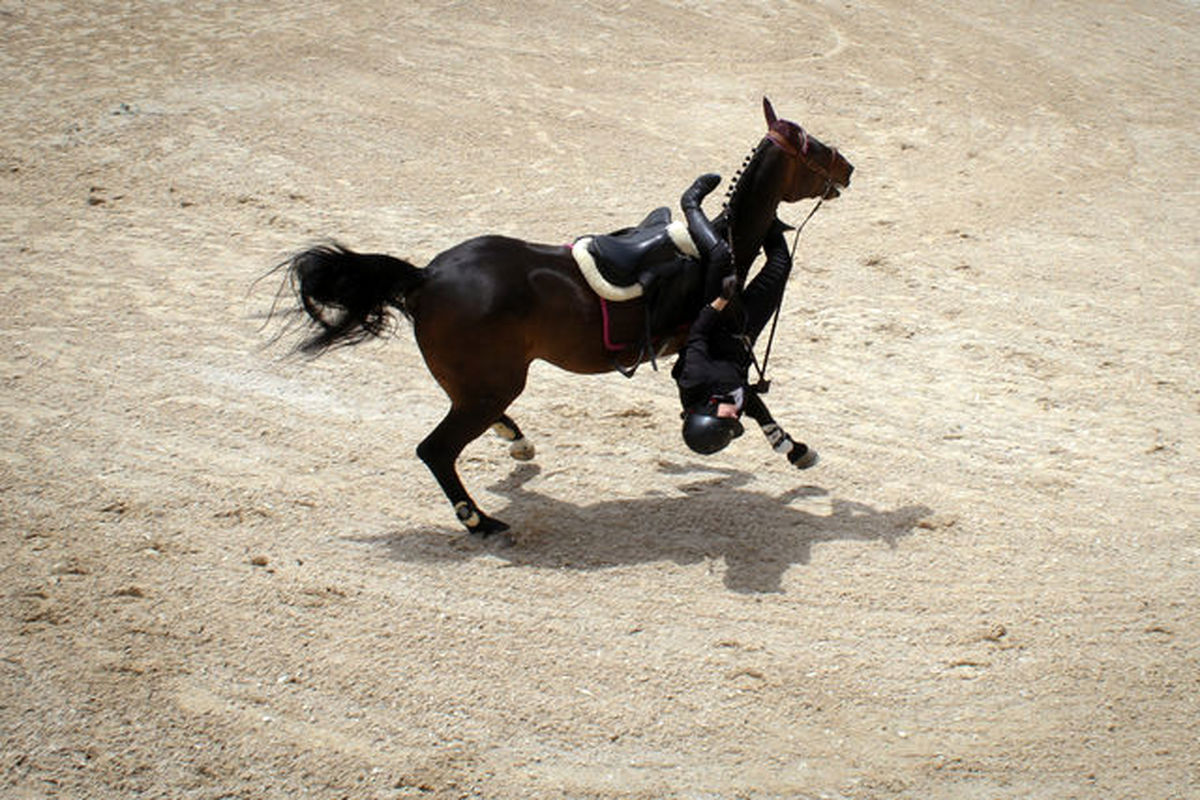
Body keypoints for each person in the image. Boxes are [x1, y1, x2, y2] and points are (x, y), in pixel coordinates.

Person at [672, 178, 818, 468]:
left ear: (708, 408)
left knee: (720, 255)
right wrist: (778, 436)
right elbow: (745, 397)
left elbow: (698, 334)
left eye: (728, 418)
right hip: (745, 332)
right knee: (780, 265)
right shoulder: (729, 406)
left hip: (717, 315)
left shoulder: (694, 378)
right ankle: (770, 219)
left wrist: (722, 300)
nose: (735, 417)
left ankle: (690, 205)